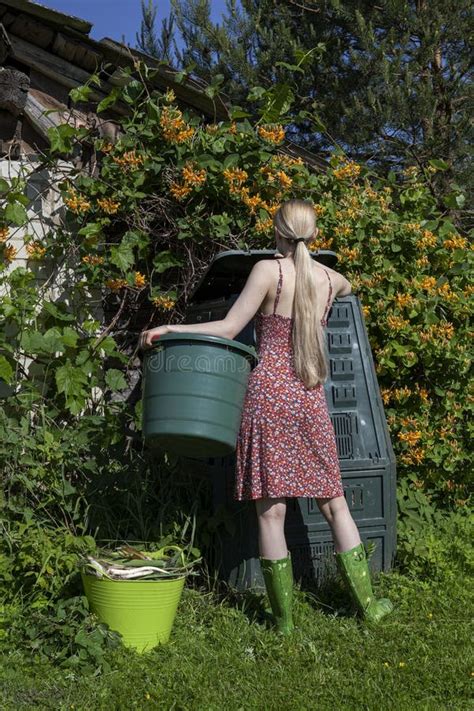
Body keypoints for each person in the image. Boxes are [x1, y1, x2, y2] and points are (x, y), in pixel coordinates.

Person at [139, 198, 394, 634]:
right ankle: (369, 608)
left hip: (268, 396)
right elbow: (349, 284)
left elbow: (227, 328)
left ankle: (285, 624)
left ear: (277, 231)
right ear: (313, 235)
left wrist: (172, 328)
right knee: (334, 502)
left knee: (270, 513)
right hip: (310, 398)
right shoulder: (330, 280)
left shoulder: (268, 272)